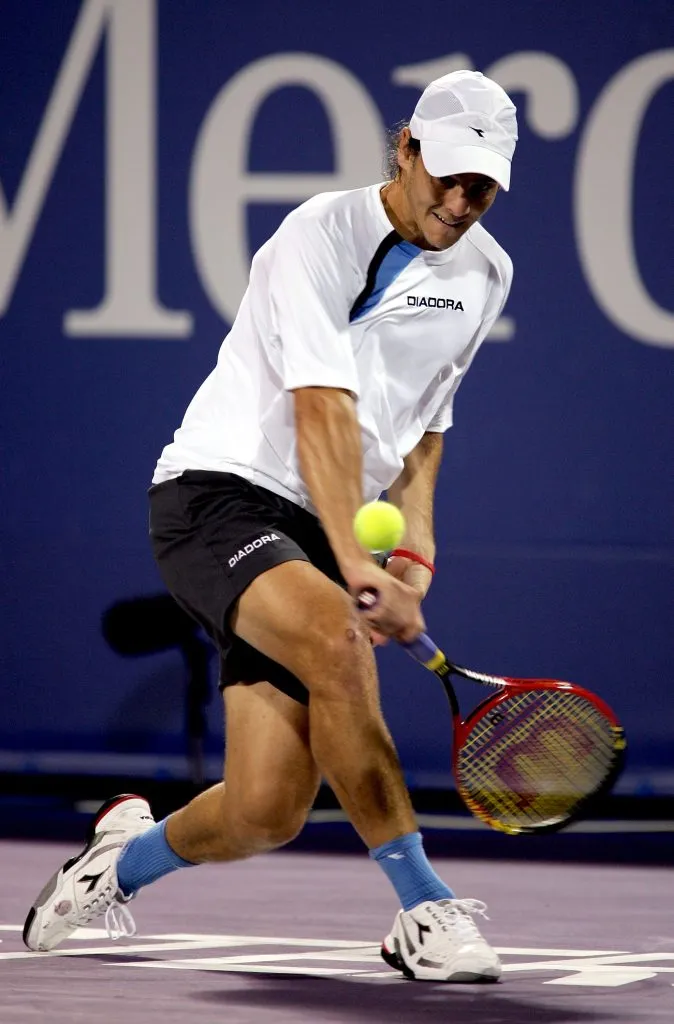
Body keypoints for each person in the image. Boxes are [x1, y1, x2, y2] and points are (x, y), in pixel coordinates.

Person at [23, 70, 517, 983]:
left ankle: (118, 861)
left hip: (319, 524)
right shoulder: (319, 234)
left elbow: (425, 430)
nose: (458, 202)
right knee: (338, 639)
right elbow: (319, 407)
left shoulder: (488, 274)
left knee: (266, 809)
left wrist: (413, 553)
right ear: (405, 148)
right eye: (446, 175)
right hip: (220, 495)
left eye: (481, 187)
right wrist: (352, 563)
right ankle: (424, 908)